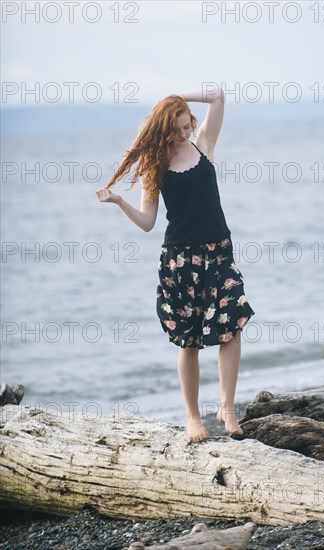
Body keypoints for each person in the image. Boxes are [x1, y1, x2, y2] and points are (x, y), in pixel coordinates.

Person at [95, 87, 255, 443]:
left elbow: (217, 96)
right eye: (178, 128)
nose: (184, 133)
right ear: (165, 129)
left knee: (233, 326)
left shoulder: (203, 144)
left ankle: (227, 408)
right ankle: (193, 417)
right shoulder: (156, 167)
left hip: (219, 252)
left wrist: (175, 95)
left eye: (187, 125)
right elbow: (148, 222)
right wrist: (120, 201)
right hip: (181, 260)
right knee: (190, 341)